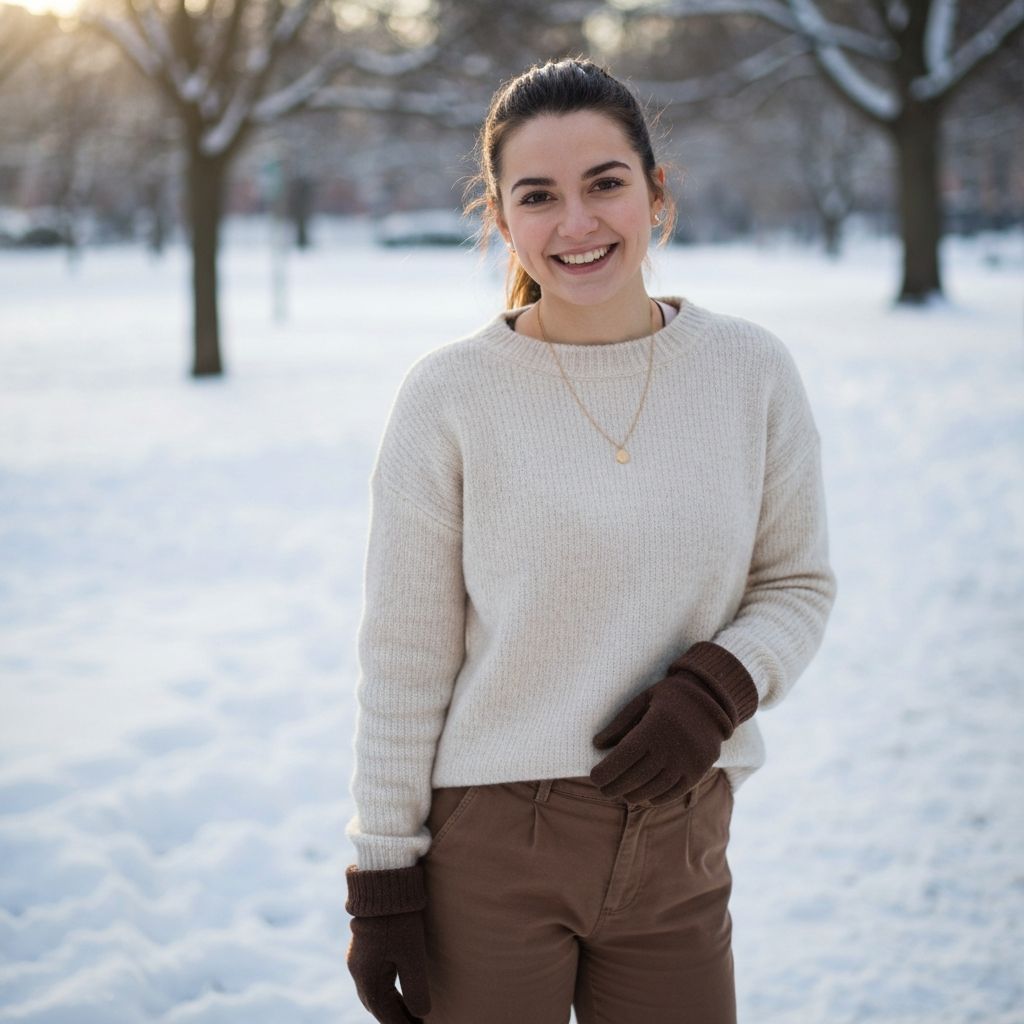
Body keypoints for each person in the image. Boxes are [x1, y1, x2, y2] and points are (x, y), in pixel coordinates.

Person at [343, 55, 837, 1024]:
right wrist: (384, 878)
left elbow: (796, 582)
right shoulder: (449, 395)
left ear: (655, 194)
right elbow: (403, 655)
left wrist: (715, 688)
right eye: (538, 196)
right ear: (500, 219)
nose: (575, 223)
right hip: (490, 841)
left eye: (604, 183)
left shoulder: (748, 371)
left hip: (679, 831)